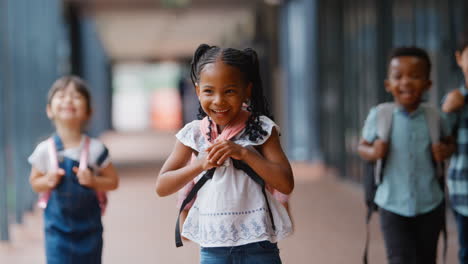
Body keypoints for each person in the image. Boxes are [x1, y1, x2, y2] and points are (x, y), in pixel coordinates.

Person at [155, 44, 294, 264]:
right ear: (198, 90)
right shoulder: (193, 134)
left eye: (229, 91)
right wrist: (200, 165)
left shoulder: (262, 129)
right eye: (209, 91)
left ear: (247, 90)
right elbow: (162, 186)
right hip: (214, 248)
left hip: (259, 244)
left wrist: (246, 154)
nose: (219, 100)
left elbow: (286, 183)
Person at [357, 46, 454, 264]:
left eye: (416, 76)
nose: (406, 82)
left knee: (427, 259)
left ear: (428, 84)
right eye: (398, 76)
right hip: (391, 205)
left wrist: (445, 150)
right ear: (388, 84)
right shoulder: (380, 114)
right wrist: (373, 151)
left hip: (430, 203)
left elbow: (450, 142)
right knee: (399, 259)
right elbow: (361, 147)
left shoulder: (435, 116)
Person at [28, 75, 119, 264]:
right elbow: (35, 183)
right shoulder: (45, 150)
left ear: (88, 112)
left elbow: (113, 181)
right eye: (61, 96)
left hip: (90, 231)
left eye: (76, 96)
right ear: (49, 110)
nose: (68, 100)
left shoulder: (95, 149)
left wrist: (94, 181)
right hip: (57, 233)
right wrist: (47, 181)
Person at [441, 29, 468, 264]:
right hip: (464, 193)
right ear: (460, 58)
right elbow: (440, 141)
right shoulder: (454, 100)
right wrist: (447, 111)